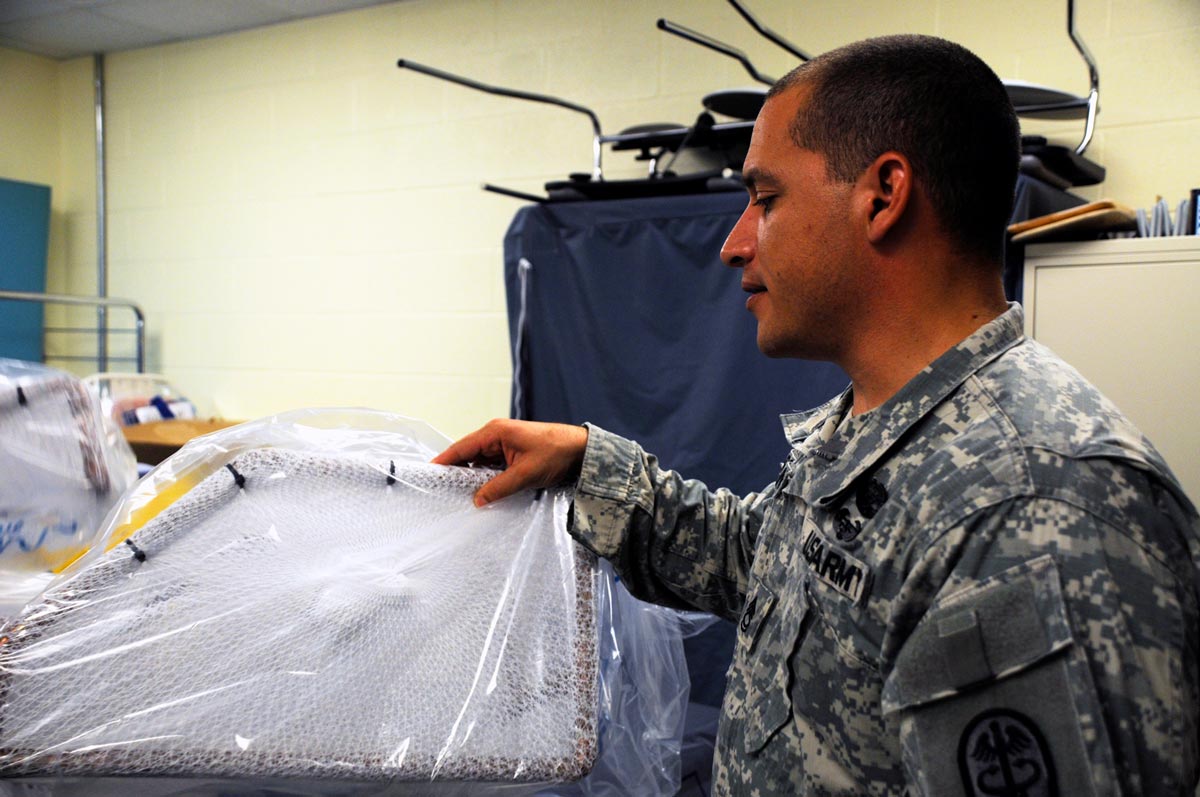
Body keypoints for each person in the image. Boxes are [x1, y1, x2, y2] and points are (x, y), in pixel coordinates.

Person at [433, 34, 1200, 796]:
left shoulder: (1034, 504)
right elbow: (759, 557)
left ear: (883, 195)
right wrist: (584, 462)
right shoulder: (883, 425)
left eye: (765, 199)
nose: (736, 243)